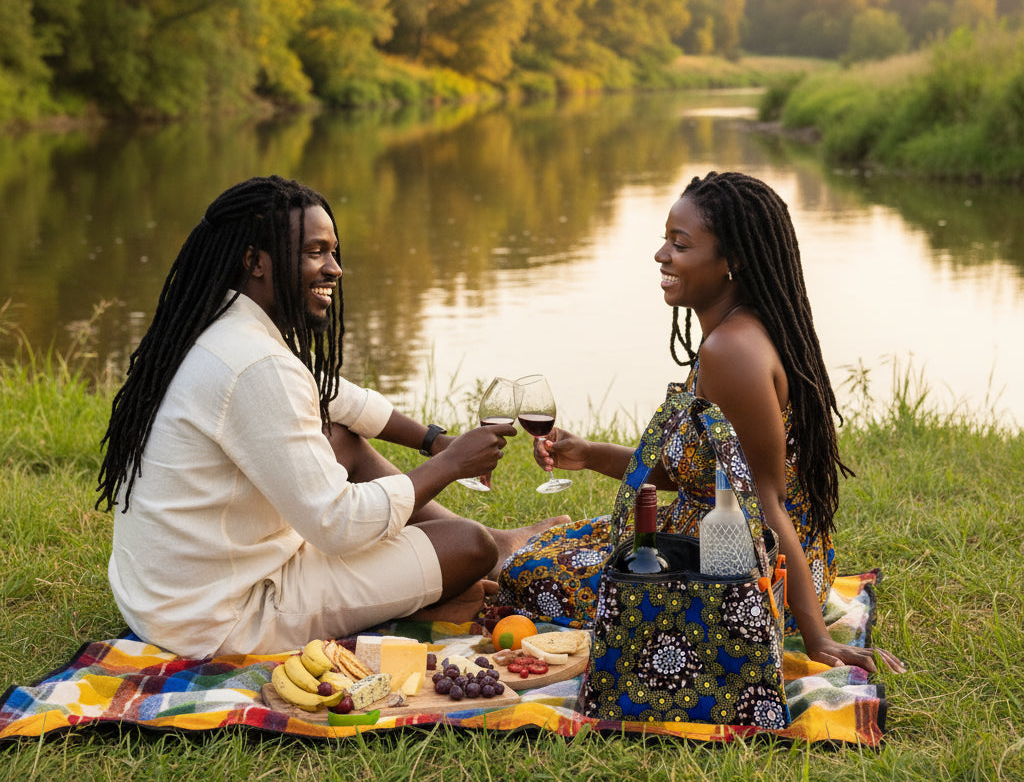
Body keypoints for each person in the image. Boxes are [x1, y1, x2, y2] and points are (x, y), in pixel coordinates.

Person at [96, 175, 564, 659]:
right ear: (256, 261)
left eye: (333, 252)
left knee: (335, 435)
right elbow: (337, 523)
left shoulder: (217, 323)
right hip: (222, 615)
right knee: (467, 545)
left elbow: (329, 395)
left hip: (164, 595)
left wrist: (433, 440)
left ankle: (484, 559)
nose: (335, 268)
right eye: (314, 252)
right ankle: (486, 556)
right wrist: (449, 465)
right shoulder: (257, 364)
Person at [498, 171, 904, 674]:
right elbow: (700, 474)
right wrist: (589, 454)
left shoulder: (731, 351)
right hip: (715, 542)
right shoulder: (736, 331)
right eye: (665, 240)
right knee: (559, 547)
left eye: (680, 244)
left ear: (733, 260)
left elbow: (765, 502)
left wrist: (817, 638)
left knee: (526, 573)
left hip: (736, 574)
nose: (661, 255)